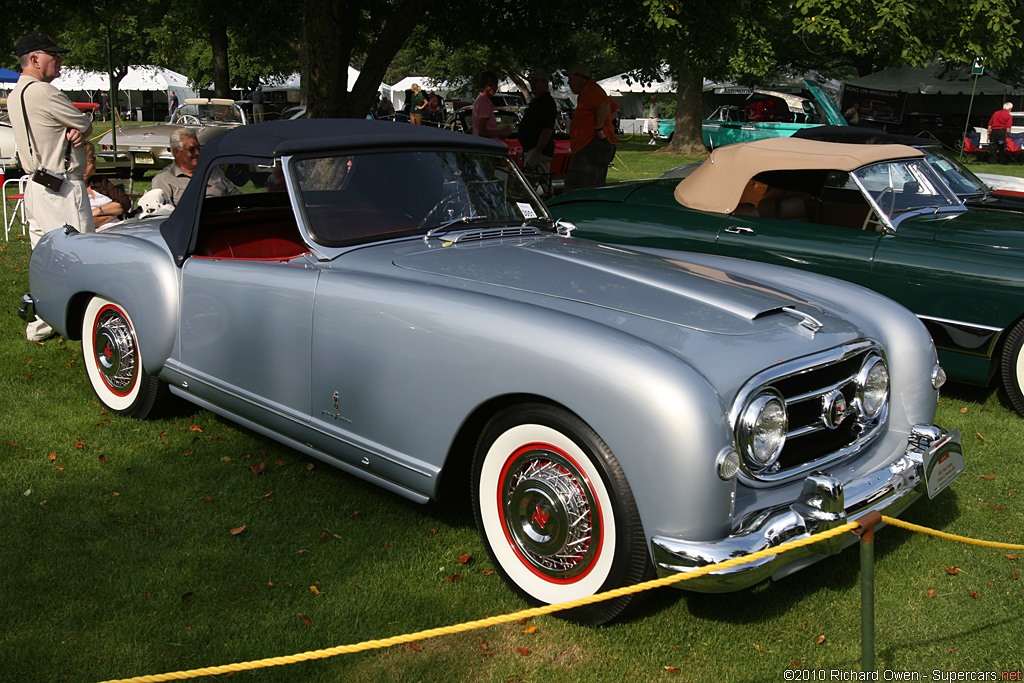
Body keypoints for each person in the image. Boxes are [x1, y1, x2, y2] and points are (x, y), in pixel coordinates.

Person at [8, 31, 95, 341]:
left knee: (42, 259)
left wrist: (71, 130)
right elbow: (84, 122)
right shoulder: (43, 91)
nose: (59, 60)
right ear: (34, 59)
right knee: (80, 255)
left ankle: (42, 323)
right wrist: (77, 128)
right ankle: (83, 322)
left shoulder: (15, 93)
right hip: (61, 188)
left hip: (35, 186)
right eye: (53, 55)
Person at [152, 128, 241, 206]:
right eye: (192, 149)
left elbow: (238, 197)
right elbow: (163, 215)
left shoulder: (213, 171)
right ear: (176, 152)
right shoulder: (163, 180)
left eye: (198, 148)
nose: (197, 153)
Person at [564, 63, 618, 192]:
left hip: (590, 148)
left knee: (578, 188)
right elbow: (614, 107)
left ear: (581, 78)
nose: (569, 83)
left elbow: (605, 104)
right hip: (591, 148)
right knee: (592, 186)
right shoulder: (592, 90)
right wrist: (606, 124)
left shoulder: (590, 90)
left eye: (571, 79)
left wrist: (599, 129)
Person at [82, 142, 132, 229]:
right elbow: (87, 223)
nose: (96, 163)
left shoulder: (100, 181)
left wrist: (98, 211)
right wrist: (113, 214)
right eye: (92, 159)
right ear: (81, 163)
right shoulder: (72, 190)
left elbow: (125, 202)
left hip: (122, 227)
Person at [517, 71, 557, 177]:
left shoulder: (547, 103)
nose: (532, 84)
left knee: (540, 184)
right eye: (531, 81)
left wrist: (536, 151)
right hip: (531, 151)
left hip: (539, 153)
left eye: (535, 81)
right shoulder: (537, 102)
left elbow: (546, 130)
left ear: (544, 83)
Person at [472, 72, 501, 138]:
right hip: (487, 145)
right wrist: (502, 132)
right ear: (483, 86)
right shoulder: (484, 103)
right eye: (490, 85)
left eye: (495, 84)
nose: (494, 87)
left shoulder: (481, 100)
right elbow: (482, 132)